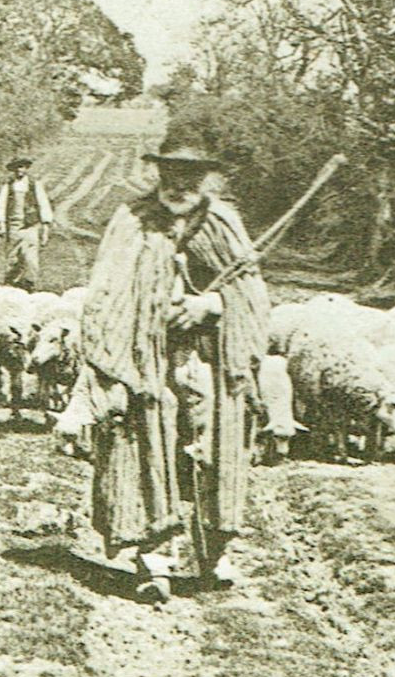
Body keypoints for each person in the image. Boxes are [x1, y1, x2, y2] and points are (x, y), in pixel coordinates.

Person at [58, 128, 270, 602]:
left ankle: (213, 552)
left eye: (190, 177)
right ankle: (153, 558)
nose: (180, 186)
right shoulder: (132, 221)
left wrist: (212, 305)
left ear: (206, 180)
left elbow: (251, 295)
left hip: (211, 362)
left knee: (212, 449)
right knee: (149, 448)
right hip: (146, 361)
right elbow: (109, 294)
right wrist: (140, 332)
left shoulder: (223, 223)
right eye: (171, 175)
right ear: (158, 174)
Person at [0, 156, 54, 291]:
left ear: (26, 168)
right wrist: (1, 224)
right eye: (17, 167)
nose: (19, 170)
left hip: (31, 226)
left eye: (22, 167)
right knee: (13, 257)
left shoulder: (34, 184)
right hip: (14, 226)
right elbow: (1, 205)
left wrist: (45, 227)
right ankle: (11, 284)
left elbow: (43, 204)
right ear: (13, 170)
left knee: (31, 257)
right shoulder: (8, 186)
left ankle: (29, 283)